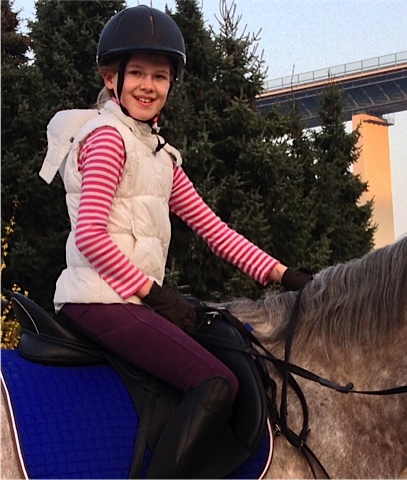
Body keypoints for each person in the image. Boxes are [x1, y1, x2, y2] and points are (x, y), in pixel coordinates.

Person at [38, 5, 311, 478]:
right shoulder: (107, 139)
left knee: (233, 341)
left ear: (171, 85)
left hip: (130, 299)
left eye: (159, 76)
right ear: (111, 79)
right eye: (137, 73)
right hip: (98, 299)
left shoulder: (160, 156)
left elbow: (214, 229)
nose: (148, 85)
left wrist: (283, 274)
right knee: (214, 381)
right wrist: (154, 294)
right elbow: (90, 235)